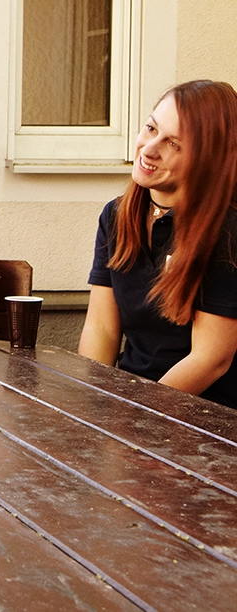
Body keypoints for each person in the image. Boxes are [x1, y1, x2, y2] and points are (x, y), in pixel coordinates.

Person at [78, 80, 237, 408]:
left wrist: (137, 417)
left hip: (208, 419)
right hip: (132, 404)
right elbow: (102, 329)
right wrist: (93, 405)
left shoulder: (228, 229)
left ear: (208, 158)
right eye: (151, 128)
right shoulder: (117, 215)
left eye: (174, 144)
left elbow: (211, 359)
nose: (149, 148)